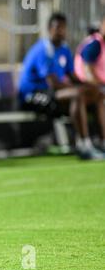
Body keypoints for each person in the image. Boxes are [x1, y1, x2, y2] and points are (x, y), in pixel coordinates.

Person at [19, 12, 105, 160]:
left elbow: (73, 77)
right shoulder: (43, 50)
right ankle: (84, 145)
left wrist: (91, 88)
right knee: (78, 95)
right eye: (57, 28)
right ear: (49, 29)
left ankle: (102, 142)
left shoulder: (64, 49)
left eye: (63, 28)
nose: (61, 32)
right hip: (33, 95)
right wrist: (81, 90)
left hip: (52, 94)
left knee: (97, 95)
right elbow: (53, 84)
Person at [74, 16, 105, 152]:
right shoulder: (94, 44)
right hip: (86, 87)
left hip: (97, 88)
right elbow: (87, 74)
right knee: (101, 97)